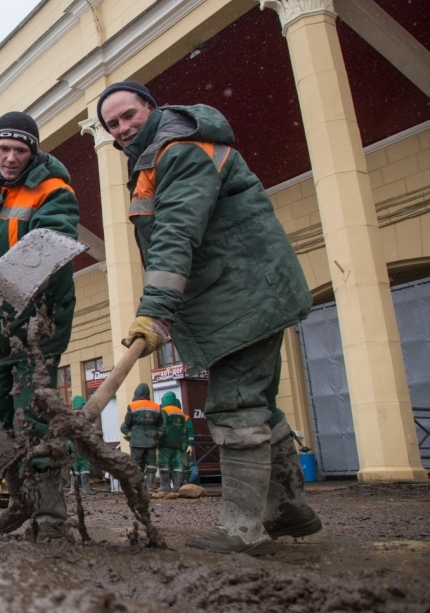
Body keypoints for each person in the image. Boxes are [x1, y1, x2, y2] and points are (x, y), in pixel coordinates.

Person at [97, 81, 321, 555]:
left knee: (235, 403)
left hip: (246, 290)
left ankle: (243, 526)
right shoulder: (156, 158)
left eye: (129, 114)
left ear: (151, 109)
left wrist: (155, 311)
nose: (123, 127)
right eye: (113, 124)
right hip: (245, 290)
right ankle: (287, 509)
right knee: (257, 401)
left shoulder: (180, 151)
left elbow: (177, 231)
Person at [0, 111, 80, 538]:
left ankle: (50, 514)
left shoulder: (54, 191)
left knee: (33, 411)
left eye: (19, 151)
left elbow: (47, 250)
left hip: (41, 319)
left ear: (33, 152)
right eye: (3, 149)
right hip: (1, 322)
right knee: (6, 414)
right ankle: (20, 502)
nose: (9, 158)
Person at [119, 382, 164, 490]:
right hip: (152, 441)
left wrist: (130, 435)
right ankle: (149, 487)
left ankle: (137, 487)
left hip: (137, 441)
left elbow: (127, 423)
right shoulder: (156, 406)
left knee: (136, 464)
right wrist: (156, 435)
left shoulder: (132, 406)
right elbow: (161, 424)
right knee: (151, 464)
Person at [157, 391, 188, 491]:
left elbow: (162, 426)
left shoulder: (164, 410)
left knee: (164, 464)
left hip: (166, 442)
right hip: (178, 443)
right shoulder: (181, 412)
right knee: (177, 464)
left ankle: (165, 486)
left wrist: (157, 438)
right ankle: (177, 486)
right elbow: (184, 430)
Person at [68, 396, 93, 495]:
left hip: (72, 444)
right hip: (82, 443)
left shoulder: (69, 416)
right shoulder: (84, 415)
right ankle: (86, 489)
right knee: (84, 465)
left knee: (74, 465)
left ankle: (73, 489)